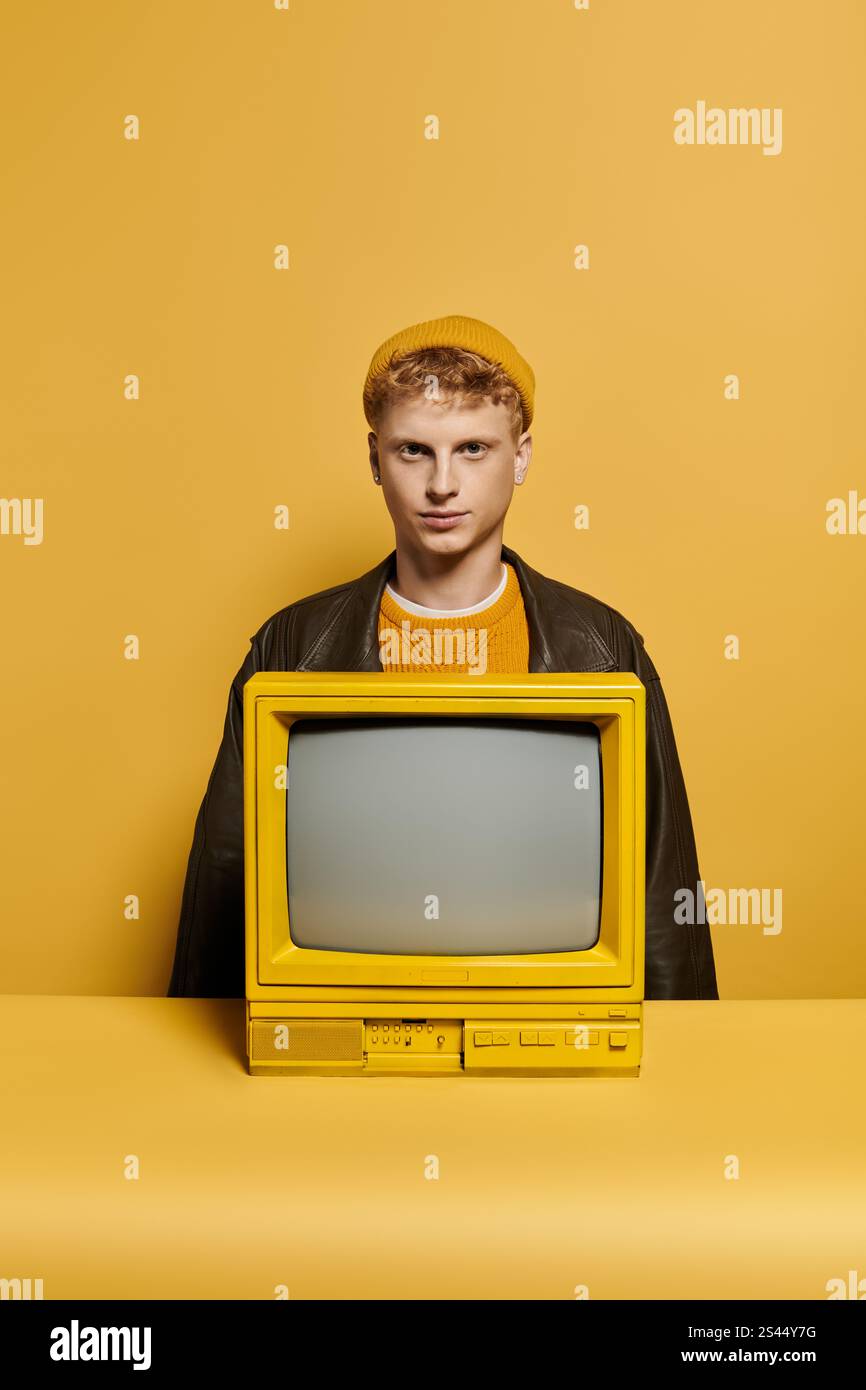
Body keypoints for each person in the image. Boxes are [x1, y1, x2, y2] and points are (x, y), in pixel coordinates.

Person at [167, 314, 718, 1000]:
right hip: (344, 1024)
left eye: (474, 449)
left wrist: (686, 1053)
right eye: (414, 452)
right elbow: (225, 874)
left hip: (548, 1027)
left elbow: (663, 879)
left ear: (521, 456)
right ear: (375, 460)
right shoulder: (293, 647)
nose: (442, 485)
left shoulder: (602, 648)